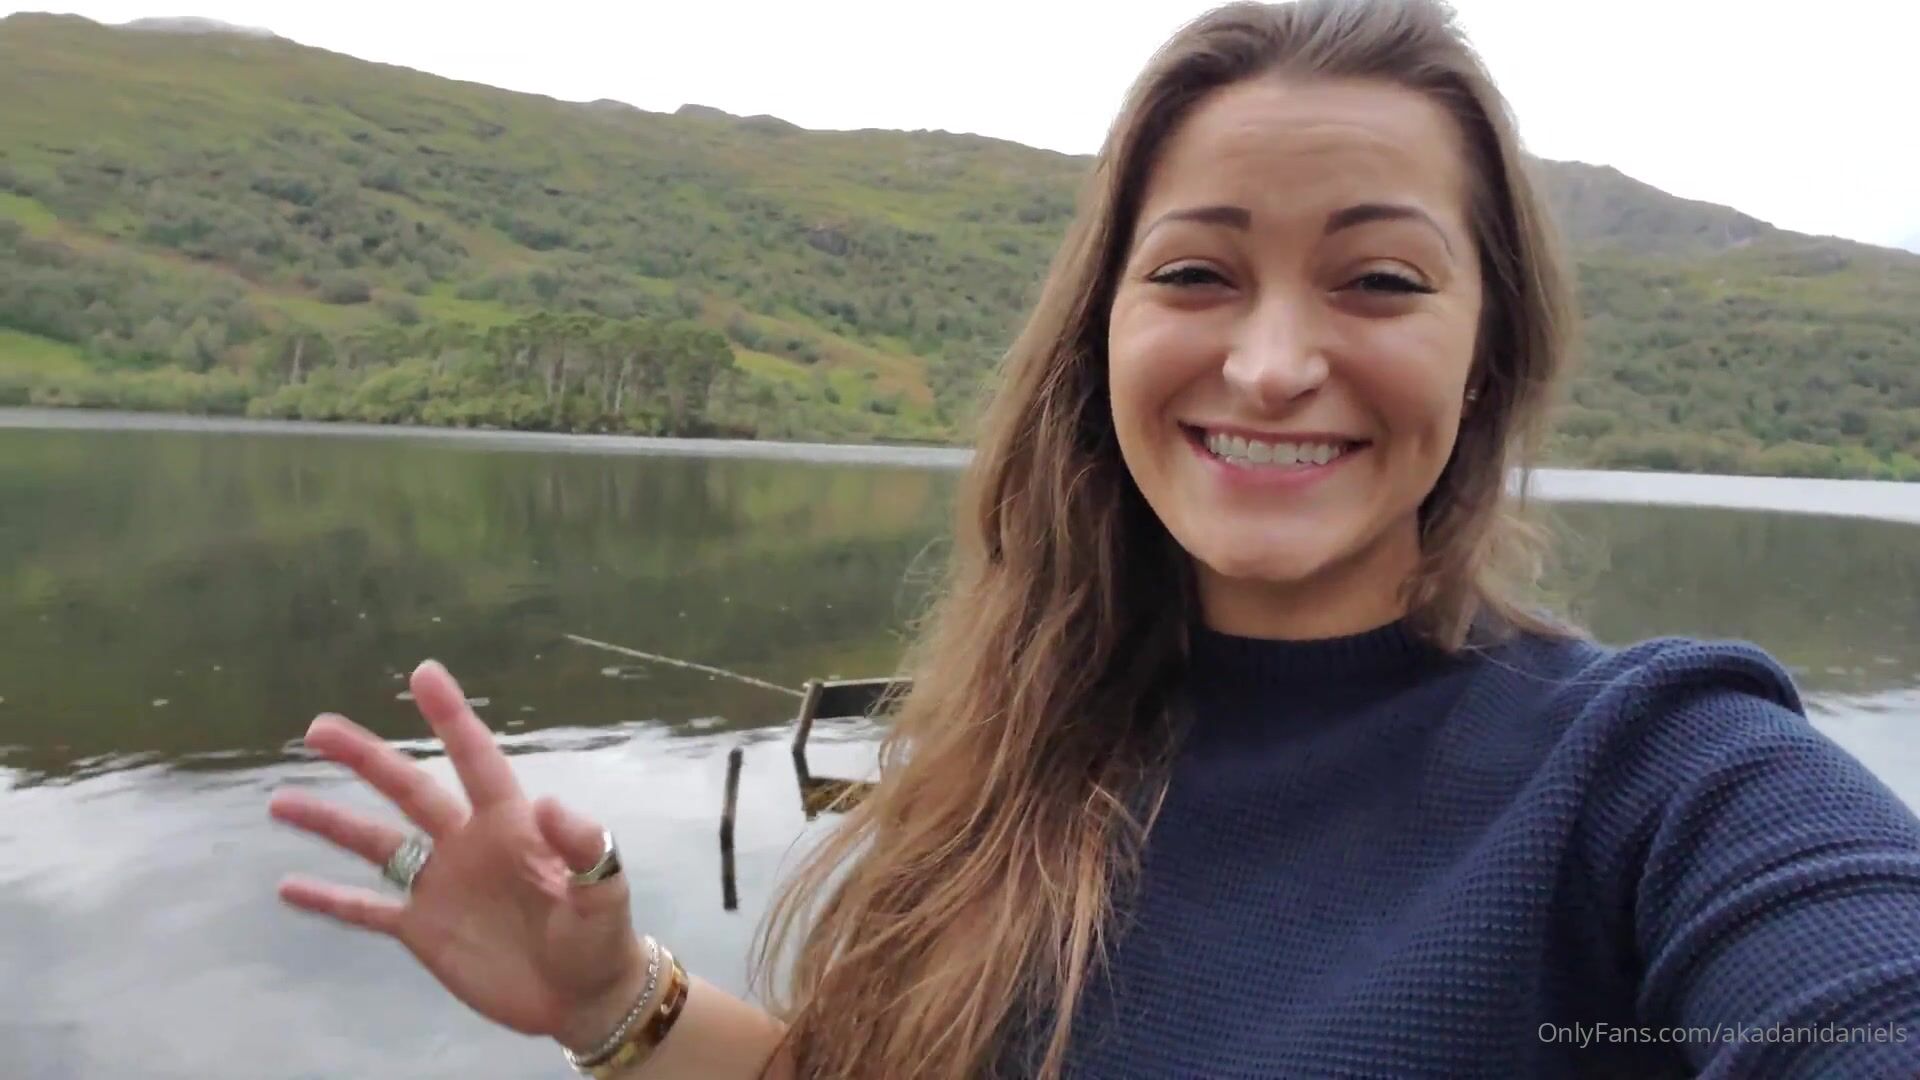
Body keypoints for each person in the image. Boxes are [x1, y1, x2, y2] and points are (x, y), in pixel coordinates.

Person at [267, 1, 1920, 1076]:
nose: (1269, 364)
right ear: (1104, 335)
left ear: (1487, 352)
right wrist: (613, 997)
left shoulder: (1662, 777)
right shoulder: (1024, 743)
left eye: (1379, 280)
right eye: (1197, 273)